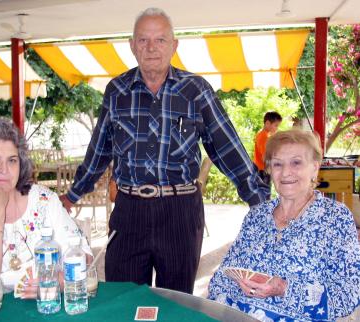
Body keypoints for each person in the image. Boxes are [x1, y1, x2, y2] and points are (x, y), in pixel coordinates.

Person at [60, 7, 269, 294]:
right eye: (143, 40)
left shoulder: (196, 90)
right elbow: (99, 151)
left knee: (177, 300)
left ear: (174, 46)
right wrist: (72, 195)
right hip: (129, 209)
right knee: (123, 299)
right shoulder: (117, 91)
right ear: (132, 46)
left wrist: (259, 201)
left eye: (160, 40)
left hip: (180, 211)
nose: (151, 48)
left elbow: (226, 147)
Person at [208, 129, 360, 321]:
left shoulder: (335, 219)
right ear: (270, 169)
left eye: (296, 162)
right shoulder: (257, 216)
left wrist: (284, 289)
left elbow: (349, 295)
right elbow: (221, 279)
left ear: (315, 167)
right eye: (278, 164)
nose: (286, 172)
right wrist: (234, 288)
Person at [0, 117, 90, 294]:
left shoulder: (44, 199)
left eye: (12, 160)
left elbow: (83, 258)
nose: (4, 170)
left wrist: (52, 283)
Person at [253, 111, 282, 191]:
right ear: (268, 123)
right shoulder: (264, 137)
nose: (277, 128)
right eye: (276, 125)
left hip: (259, 169)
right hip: (263, 170)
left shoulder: (261, 134)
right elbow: (265, 156)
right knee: (265, 193)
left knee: (262, 192)